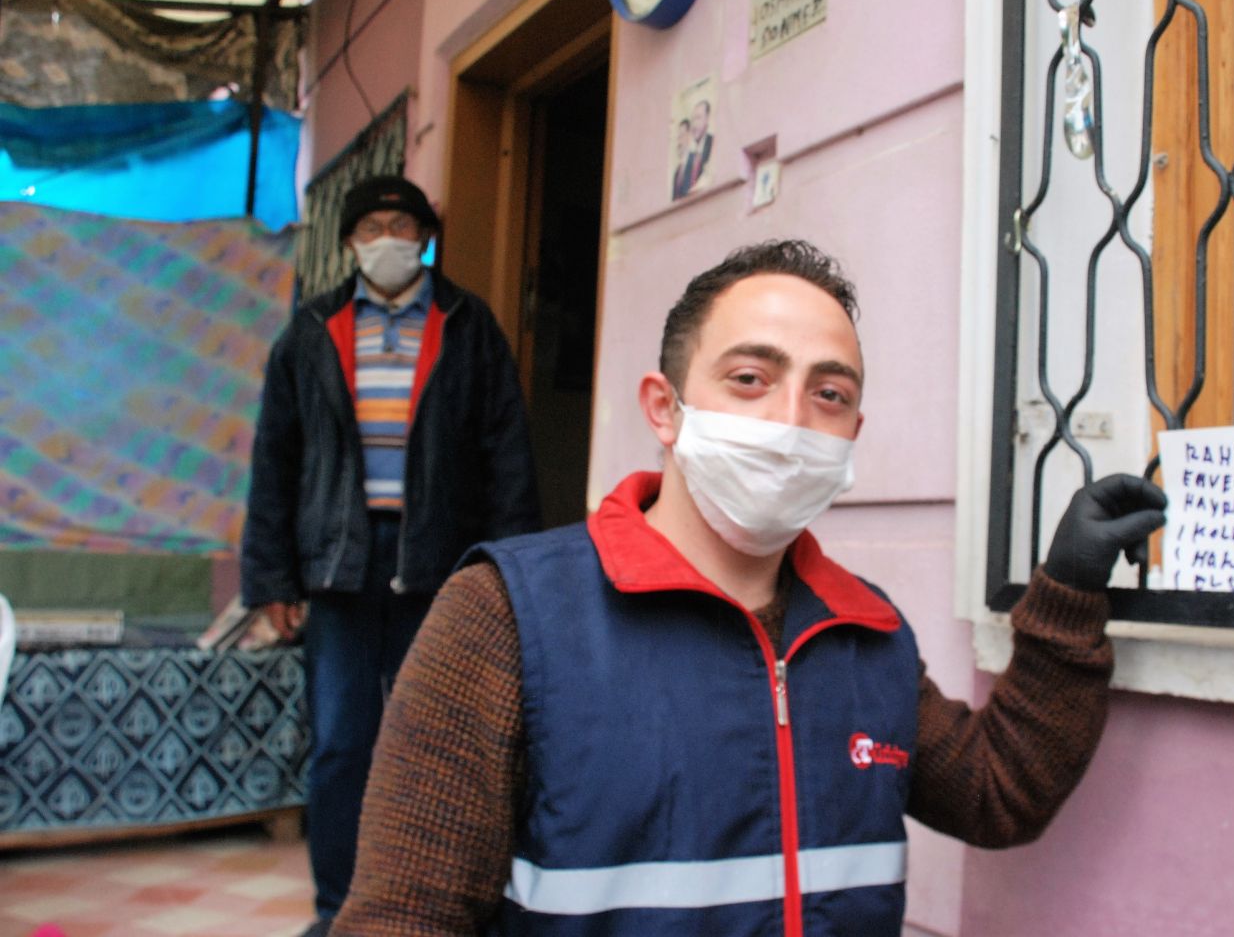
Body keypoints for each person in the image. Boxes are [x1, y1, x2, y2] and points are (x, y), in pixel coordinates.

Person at [333, 239, 1164, 935]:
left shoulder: (867, 634)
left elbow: (997, 792)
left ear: (854, 434)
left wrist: (1068, 591)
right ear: (665, 408)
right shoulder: (507, 616)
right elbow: (405, 916)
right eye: (749, 379)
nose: (791, 419)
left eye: (829, 394)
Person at [241, 175, 542, 934]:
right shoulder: (309, 329)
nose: (388, 238)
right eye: (372, 224)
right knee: (343, 743)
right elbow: (276, 460)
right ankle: (338, 909)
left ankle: (433, 907)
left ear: (425, 236)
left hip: (440, 559)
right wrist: (273, 576)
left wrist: (509, 574)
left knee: (442, 741)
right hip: (337, 562)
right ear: (349, 240)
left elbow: (507, 457)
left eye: (402, 224)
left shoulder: (469, 325)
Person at [671, 118, 695, 200]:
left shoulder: (696, 161)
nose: (679, 141)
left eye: (682, 136)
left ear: (689, 136)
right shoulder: (677, 172)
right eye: (678, 137)